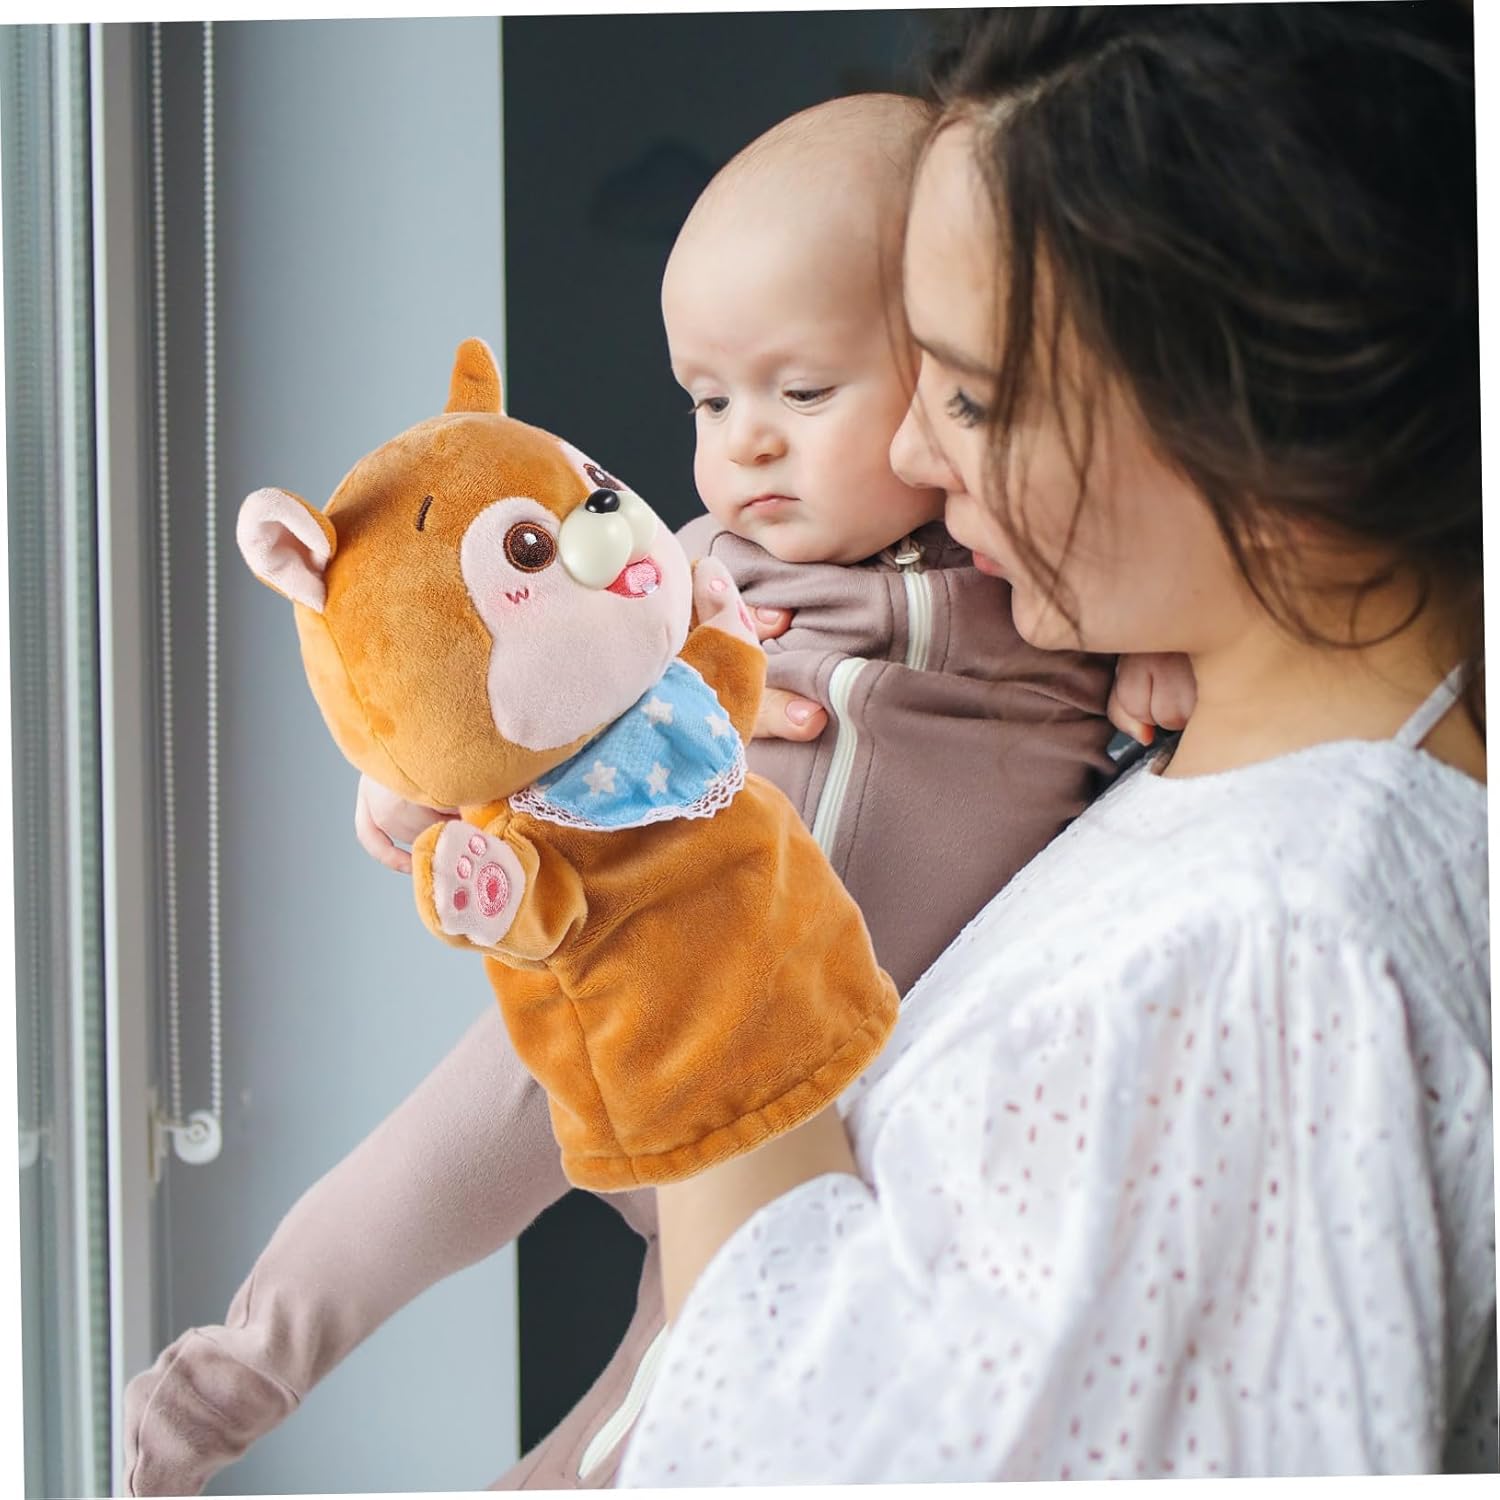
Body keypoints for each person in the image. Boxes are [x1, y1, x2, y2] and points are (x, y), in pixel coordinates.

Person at [122, 92, 1128, 1494]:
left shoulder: (1047, 574)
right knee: (422, 1173)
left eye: (804, 392)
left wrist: (1161, 669)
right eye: (710, 401)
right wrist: (413, 793)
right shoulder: (692, 570)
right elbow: (501, 690)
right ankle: (214, 1387)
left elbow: (1170, 622)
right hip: (622, 973)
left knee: (645, 1423)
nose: (747, 443)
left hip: (777, 1114)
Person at [617, 3, 1493, 1483]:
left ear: (1247, 426)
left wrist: (679, 883)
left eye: (971, 394)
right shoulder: (1211, 780)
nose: (912, 452)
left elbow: (795, 1458)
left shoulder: (1272, 956)